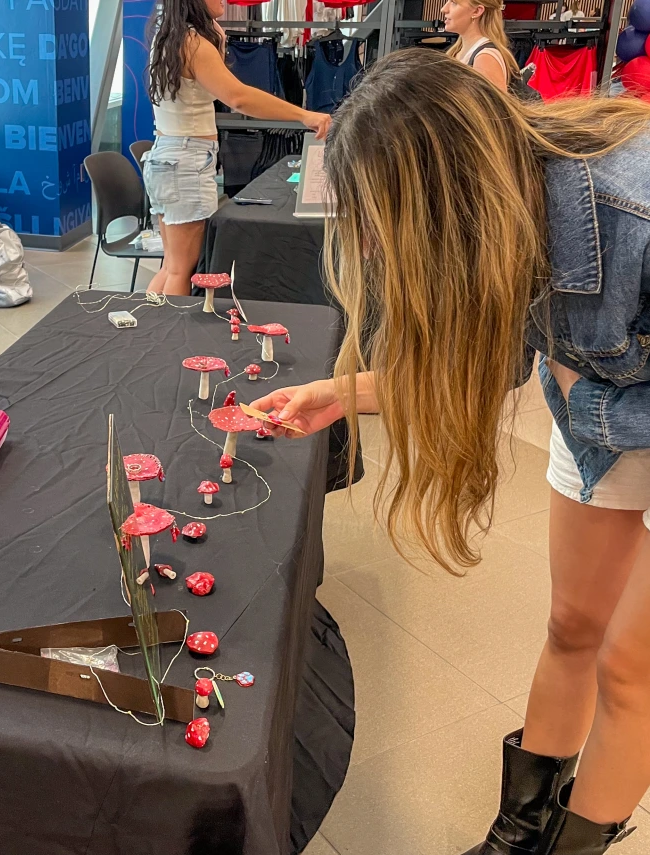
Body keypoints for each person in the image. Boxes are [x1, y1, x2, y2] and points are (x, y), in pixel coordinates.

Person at [255, 50, 650, 855]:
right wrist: (337, 395)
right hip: (598, 407)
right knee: (574, 624)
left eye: (377, 224)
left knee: (629, 668)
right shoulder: (506, 212)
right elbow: (468, 360)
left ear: (440, 191)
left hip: (619, 397)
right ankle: (520, 834)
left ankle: (577, 845)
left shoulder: (631, 208)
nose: (371, 251)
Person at [141, 0, 330, 298]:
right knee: (181, 270)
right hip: (186, 162)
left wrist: (216, 35)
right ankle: (165, 339)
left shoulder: (169, 35)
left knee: (171, 267)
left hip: (168, 157)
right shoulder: (194, 43)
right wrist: (303, 115)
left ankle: (145, 336)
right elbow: (238, 97)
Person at [442, 0, 517, 90]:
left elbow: (493, 104)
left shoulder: (486, 58)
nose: (444, 9)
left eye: (454, 3)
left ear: (477, 11)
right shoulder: (458, 51)